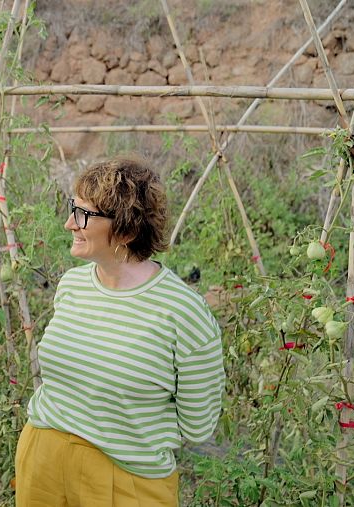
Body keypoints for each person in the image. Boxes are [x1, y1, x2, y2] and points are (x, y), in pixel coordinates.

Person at [15, 158, 225, 507]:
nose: (69, 223)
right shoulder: (73, 285)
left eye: (83, 215)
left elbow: (198, 425)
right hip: (43, 461)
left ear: (127, 230)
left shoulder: (183, 313)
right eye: (73, 209)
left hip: (125, 479)